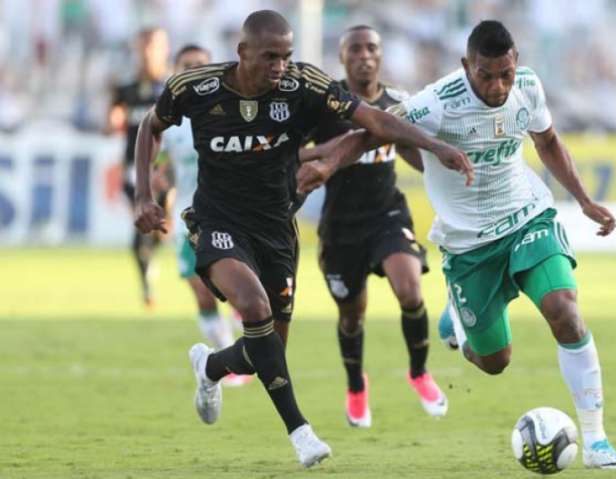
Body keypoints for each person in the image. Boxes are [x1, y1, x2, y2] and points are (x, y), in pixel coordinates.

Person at [133, 10, 471, 468]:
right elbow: (148, 127)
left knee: (267, 349)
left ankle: (210, 366)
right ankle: (302, 433)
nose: (279, 65)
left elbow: (371, 119)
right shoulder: (196, 87)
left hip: (276, 228)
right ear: (243, 52)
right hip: (218, 221)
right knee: (254, 310)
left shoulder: (303, 85)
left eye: (286, 56)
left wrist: (436, 147)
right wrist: (144, 194)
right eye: (270, 56)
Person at [298, 20, 616, 470]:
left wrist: (584, 200)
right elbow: (371, 133)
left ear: (516, 64)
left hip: (526, 217)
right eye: (486, 75)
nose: (498, 86)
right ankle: (456, 324)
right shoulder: (437, 102)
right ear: (466, 67)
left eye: (505, 74)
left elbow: (548, 141)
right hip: (468, 245)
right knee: (494, 360)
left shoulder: (529, 87)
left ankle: (596, 442)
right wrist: (326, 164)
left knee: (564, 310)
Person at [300, 25, 447, 428]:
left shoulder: (397, 101)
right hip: (340, 228)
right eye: (355, 49)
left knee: (410, 287)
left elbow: (407, 148)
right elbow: (294, 152)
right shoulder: (326, 106)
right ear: (343, 57)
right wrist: (327, 152)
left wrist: (440, 172)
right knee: (352, 317)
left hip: (387, 216)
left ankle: (418, 372)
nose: (365, 55)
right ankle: (355, 386)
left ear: (381, 56)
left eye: (372, 48)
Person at [160, 44, 250, 387]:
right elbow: (162, 169)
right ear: (176, 72)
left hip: (228, 214)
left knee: (235, 285)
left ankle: (245, 334)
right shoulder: (169, 123)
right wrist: (158, 189)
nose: (194, 71)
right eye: (187, 66)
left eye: (201, 65)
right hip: (186, 218)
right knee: (200, 290)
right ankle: (224, 350)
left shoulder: (228, 113)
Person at [109, 27, 171, 307]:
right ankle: (146, 281)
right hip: (135, 168)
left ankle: (153, 251)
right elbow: (111, 121)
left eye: (154, 45)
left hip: (167, 167)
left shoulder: (172, 87)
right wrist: (112, 120)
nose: (148, 51)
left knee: (160, 224)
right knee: (141, 225)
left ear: (164, 48)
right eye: (144, 45)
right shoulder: (126, 90)